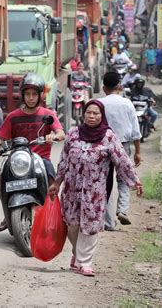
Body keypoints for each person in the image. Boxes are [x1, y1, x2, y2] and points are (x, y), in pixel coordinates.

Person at [48, 100, 143, 276]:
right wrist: (56, 182)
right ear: (83, 114)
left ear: (102, 116)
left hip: (95, 191)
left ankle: (85, 263)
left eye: (96, 113)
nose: (92, 116)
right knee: (72, 224)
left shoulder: (109, 137)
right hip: (71, 188)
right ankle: (77, 254)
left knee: (91, 227)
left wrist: (135, 181)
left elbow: (122, 161)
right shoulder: (73, 133)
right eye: (89, 113)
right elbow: (63, 161)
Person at [0, 73, 65, 232]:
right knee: (1, 177)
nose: (31, 97)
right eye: (28, 94)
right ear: (22, 95)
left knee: (52, 181)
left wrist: (53, 135)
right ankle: (7, 214)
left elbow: (61, 133)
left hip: (41, 159)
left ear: (40, 95)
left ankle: (54, 215)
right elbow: (1, 137)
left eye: (34, 94)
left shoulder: (47, 115)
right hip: (18, 160)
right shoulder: (13, 117)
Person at [100, 72, 142, 230]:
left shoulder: (98, 103)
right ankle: (122, 210)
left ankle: (108, 222)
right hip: (123, 145)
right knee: (123, 179)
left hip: (102, 146)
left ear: (104, 88)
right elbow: (136, 132)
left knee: (105, 181)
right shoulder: (127, 104)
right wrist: (138, 152)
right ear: (119, 86)